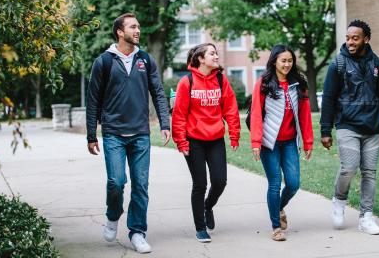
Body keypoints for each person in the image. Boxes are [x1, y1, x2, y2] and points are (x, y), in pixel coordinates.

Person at [85, 13, 171, 253]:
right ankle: (113, 215)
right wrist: (91, 134)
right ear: (120, 32)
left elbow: (158, 92)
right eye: (133, 27)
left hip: (140, 133)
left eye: (139, 26)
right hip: (113, 133)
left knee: (141, 185)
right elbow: (93, 101)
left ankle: (137, 232)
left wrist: (165, 123)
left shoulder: (146, 59)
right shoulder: (104, 61)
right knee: (116, 182)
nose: (138, 30)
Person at [320, 19, 379, 235]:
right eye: (348, 38)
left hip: (372, 127)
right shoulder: (338, 64)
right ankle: (339, 200)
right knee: (349, 167)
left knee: (369, 173)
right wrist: (326, 130)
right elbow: (328, 98)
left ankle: (366, 217)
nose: (350, 42)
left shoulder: (377, 64)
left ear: (366, 39)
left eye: (355, 38)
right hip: (347, 125)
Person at [171, 43, 240, 243]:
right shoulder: (187, 81)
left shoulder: (220, 79)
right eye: (212, 53)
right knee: (200, 184)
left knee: (220, 182)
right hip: (194, 141)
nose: (216, 56)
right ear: (201, 58)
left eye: (216, 53)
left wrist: (234, 134)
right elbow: (179, 114)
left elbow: (230, 108)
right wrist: (181, 141)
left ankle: (208, 206)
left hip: (216, 139)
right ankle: (200, 227)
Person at [250, 44, 313, 241]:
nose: (287, 64)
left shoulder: (298, 83)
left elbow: (305, 115)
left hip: (289, 143)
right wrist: (256, 141)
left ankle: (278, 207)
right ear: (274, 61)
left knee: (294, 183)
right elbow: (256, 114)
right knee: (275, 183)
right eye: (283, 60)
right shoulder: (264, 83)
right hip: (270, 143)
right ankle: (276, 227)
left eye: (290, 61)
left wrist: (308, 142)